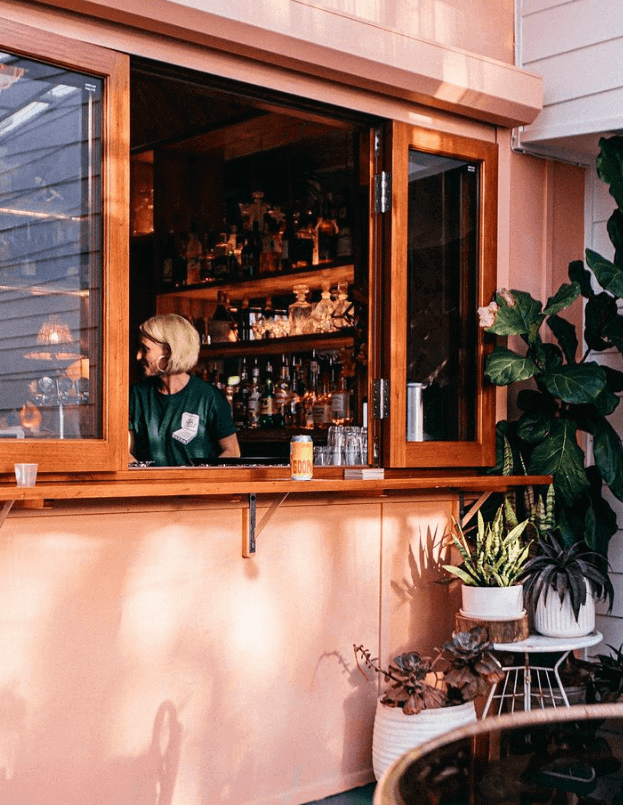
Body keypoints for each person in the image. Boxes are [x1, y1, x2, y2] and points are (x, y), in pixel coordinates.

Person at [129, 313, 240, 465]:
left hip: (196, 487)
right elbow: (124, 452)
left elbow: (232, 452)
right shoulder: (135, 396)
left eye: (145, 349)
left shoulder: (209, 397)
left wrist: (202, 482)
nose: (138, 356)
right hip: (149, 487)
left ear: (168, 351)